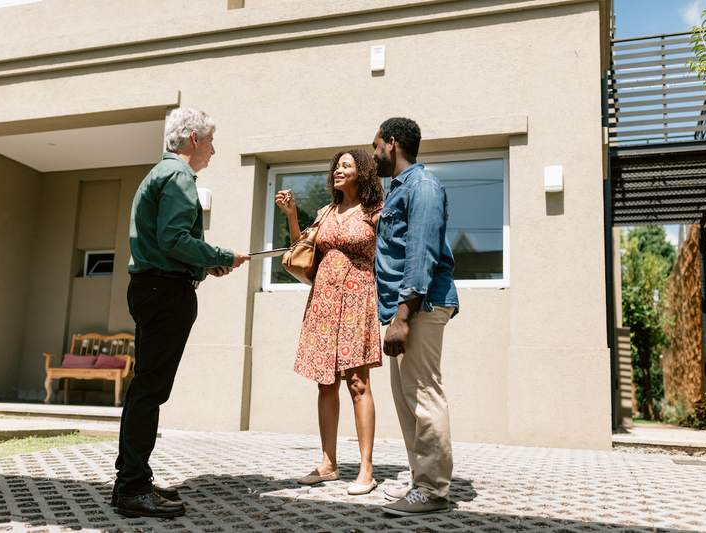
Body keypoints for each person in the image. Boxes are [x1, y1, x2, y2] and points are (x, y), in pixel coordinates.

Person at [114, 107, 249, 518]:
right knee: (150, 389)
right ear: (193, 139)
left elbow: (168, 242)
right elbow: (174, 238)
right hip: (165, 291)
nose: (213, 148)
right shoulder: (178, 176)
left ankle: (132, 481)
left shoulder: (159, 174)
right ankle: (133, 488)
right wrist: (219, 254)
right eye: (210, 140)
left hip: (154, 287)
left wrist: (203, 263)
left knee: (146, 387)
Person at [274, 149, 384, 495]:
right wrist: (292, 215)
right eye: (336, 166)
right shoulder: (325, 212)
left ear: (361, 173)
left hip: (357, 296)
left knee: (358, 383)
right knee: (325, 383)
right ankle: (328, 464)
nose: (338, 170)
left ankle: (366, 468)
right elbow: (301, 249)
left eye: (346, 166)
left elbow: (391, 251)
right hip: (323, 299)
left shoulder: (375, 212)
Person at [371, 117, 460, 516]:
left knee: (424, 394)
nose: (373, 155)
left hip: (419, 306)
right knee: (409, 398)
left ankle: (432, 490)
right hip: (402, 308)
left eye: (376, 146)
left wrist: (404, 315)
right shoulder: (399, 190)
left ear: (392, 144)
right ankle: (421, 482)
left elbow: (421, 253)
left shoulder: (423, 186)